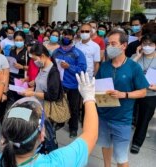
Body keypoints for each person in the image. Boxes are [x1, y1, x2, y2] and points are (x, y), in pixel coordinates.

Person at [0, 71, 98, 167]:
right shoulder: (58, 162)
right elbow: (90, 135)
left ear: (4, 136)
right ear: (42, 135)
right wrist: (88, 97)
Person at [96, 29, 149, 167]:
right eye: (108, 44)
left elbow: (143, 92)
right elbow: (97, 86)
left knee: (121, 158)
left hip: (122, 120)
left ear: (124, 45)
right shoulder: (105, 66)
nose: (109, 47)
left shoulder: (134, 67)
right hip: (103, 116)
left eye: (113, 43)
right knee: (106, 145)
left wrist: (124, 94)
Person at [53, 29, 87, 137]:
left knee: (74, 107)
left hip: (73, 84)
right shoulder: (56, 51)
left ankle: (73, 128)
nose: (66, 38)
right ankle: (60, 122)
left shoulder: (77, 53)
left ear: (73, 37)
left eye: (68, 36)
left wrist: (69, 67)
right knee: (60, 104)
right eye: (64, 35)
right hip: (60, 84)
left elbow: (82, 69)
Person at [130, 33, 156, 154]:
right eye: (144, 44)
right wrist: (137, 56)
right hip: (134, 91)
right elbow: (127, 69)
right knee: (129, 115)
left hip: (150, 94)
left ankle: (137, 142)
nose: (147, 46)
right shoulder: (136, 56)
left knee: (144, 119)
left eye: (150, 44)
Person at [7, 31, 29, 105]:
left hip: (23, 79)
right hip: (12, 78)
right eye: (16, 40)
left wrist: (22, 67)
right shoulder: (12, 51)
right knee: (15, 99)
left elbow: (33, 68)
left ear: (24, 40)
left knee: (23, 99)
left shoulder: (27, 51)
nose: (18, 42)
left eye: (20, 40)